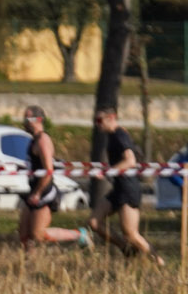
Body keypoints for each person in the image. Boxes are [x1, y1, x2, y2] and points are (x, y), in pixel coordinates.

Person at [18, 105, 91, 251]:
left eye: (27, 119)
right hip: (33, 190)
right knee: (24, 233)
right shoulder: (34, 140)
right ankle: (29, 261)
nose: (24, 122)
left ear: (39, 120)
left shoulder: (43, 140)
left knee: (38, 235)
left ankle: (79, 235)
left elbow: (48, 170)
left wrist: (38, 193)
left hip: (44, 192)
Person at [88, 105, 152, 258]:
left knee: (131, 234)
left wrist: (107, 172)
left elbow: (130, 161)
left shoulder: (119, 134)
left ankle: (158, 261)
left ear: (111, 118)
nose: (97, 124)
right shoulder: (112, 135)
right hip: (118, 189)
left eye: (99, 120)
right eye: (95, 120)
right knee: (94, 222)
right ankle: (126, 249)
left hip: (128, 189)